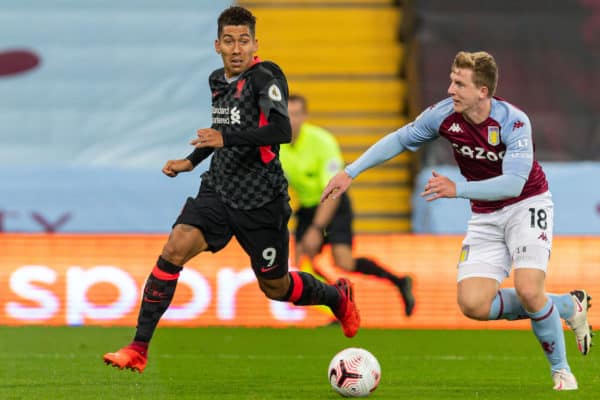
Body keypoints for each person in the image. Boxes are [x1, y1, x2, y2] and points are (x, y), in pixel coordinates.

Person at [103, 6, 359, 373]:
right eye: (229, 41)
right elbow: (220, 130)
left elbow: (280, 131)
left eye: (243, 41)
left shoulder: (265, 77)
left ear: (255, 44)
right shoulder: (216, 81)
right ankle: (138, 348)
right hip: (219, 190)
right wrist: (190, 161)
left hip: (262, 199)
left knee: (276, 287)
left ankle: (336, 296)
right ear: (217, 45)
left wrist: (225, 139)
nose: (236, 48)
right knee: (175, 247)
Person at [321, 51, 592, 390]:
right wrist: (351, 171)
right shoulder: (444, 116)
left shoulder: (514, 122)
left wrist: (457, 189)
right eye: (451, 80)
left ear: (482, 91)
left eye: (459, 83)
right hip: (485, 214)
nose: (450, 89)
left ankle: (562, 372)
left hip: (526, 205)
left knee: (527, 289)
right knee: (474, 305)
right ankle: (568, 304)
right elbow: (401, 139)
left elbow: (514, 183)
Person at [280, 94, 415, 316]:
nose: (291, 120)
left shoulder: (322, 142)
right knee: (301, 259)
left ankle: (399, 282)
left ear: (305, 116)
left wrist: (315, 229)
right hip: (307, 207)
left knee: (343, 261)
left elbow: (333, 191)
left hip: (334, 202)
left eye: (295, 114)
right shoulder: (277, 145)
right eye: (286, 114)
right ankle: (339, 305)